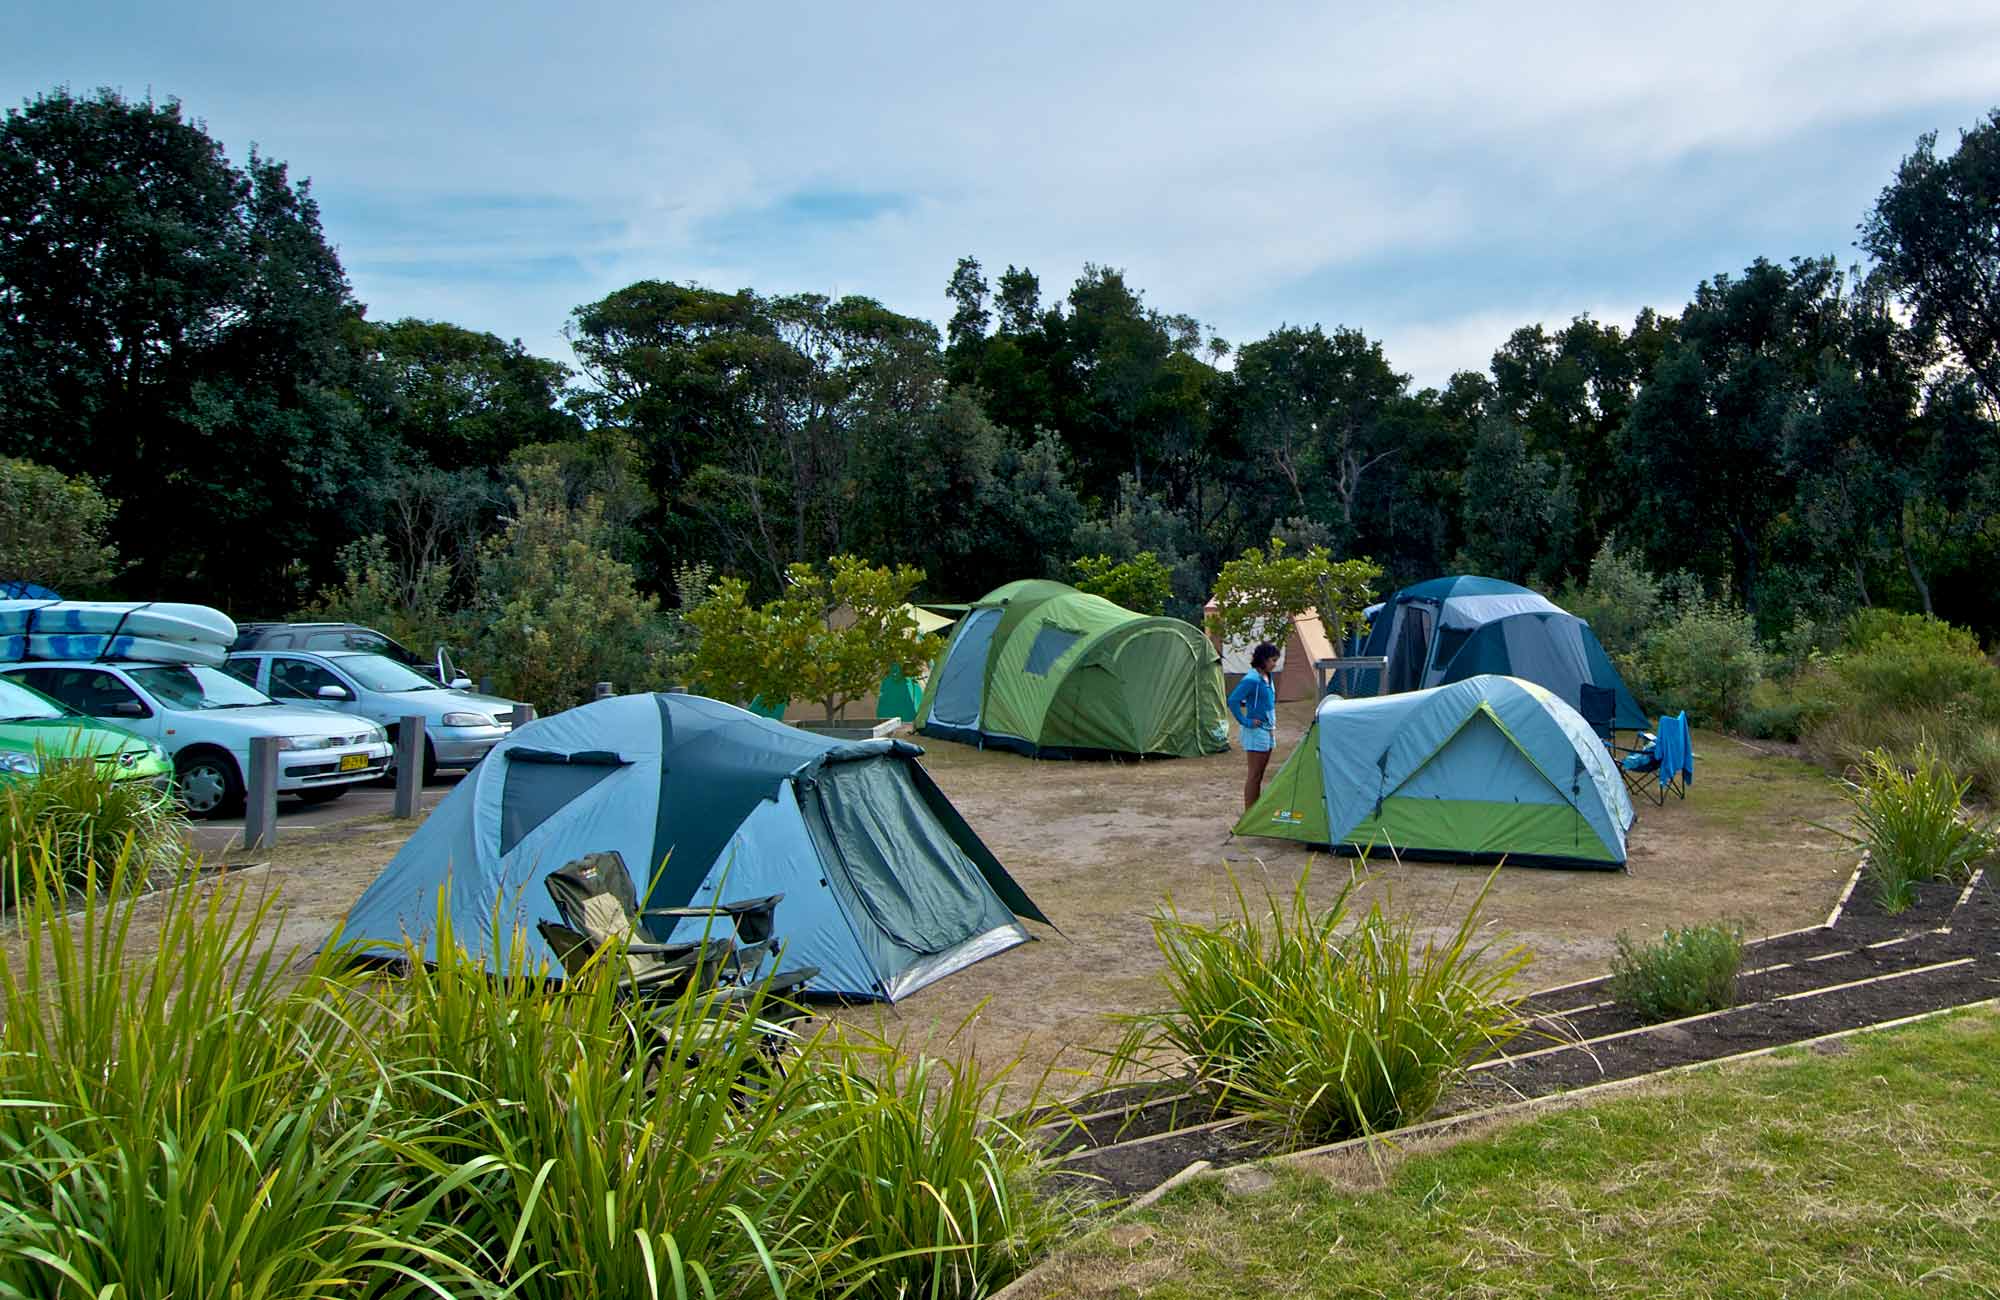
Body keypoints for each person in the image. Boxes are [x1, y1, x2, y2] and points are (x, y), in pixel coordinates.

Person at [1228, 643, 1280, 813]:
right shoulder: (1251, 680)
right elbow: (1233, 700)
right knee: (1254, 775)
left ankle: (1255, 812)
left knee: (1260, 775)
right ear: (1263, 660)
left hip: (1268, 730)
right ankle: (1249, 814)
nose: (1275, 664)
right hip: (1256, 732)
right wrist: (1246, 721)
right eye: (1273, 660)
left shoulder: (1267, 676)